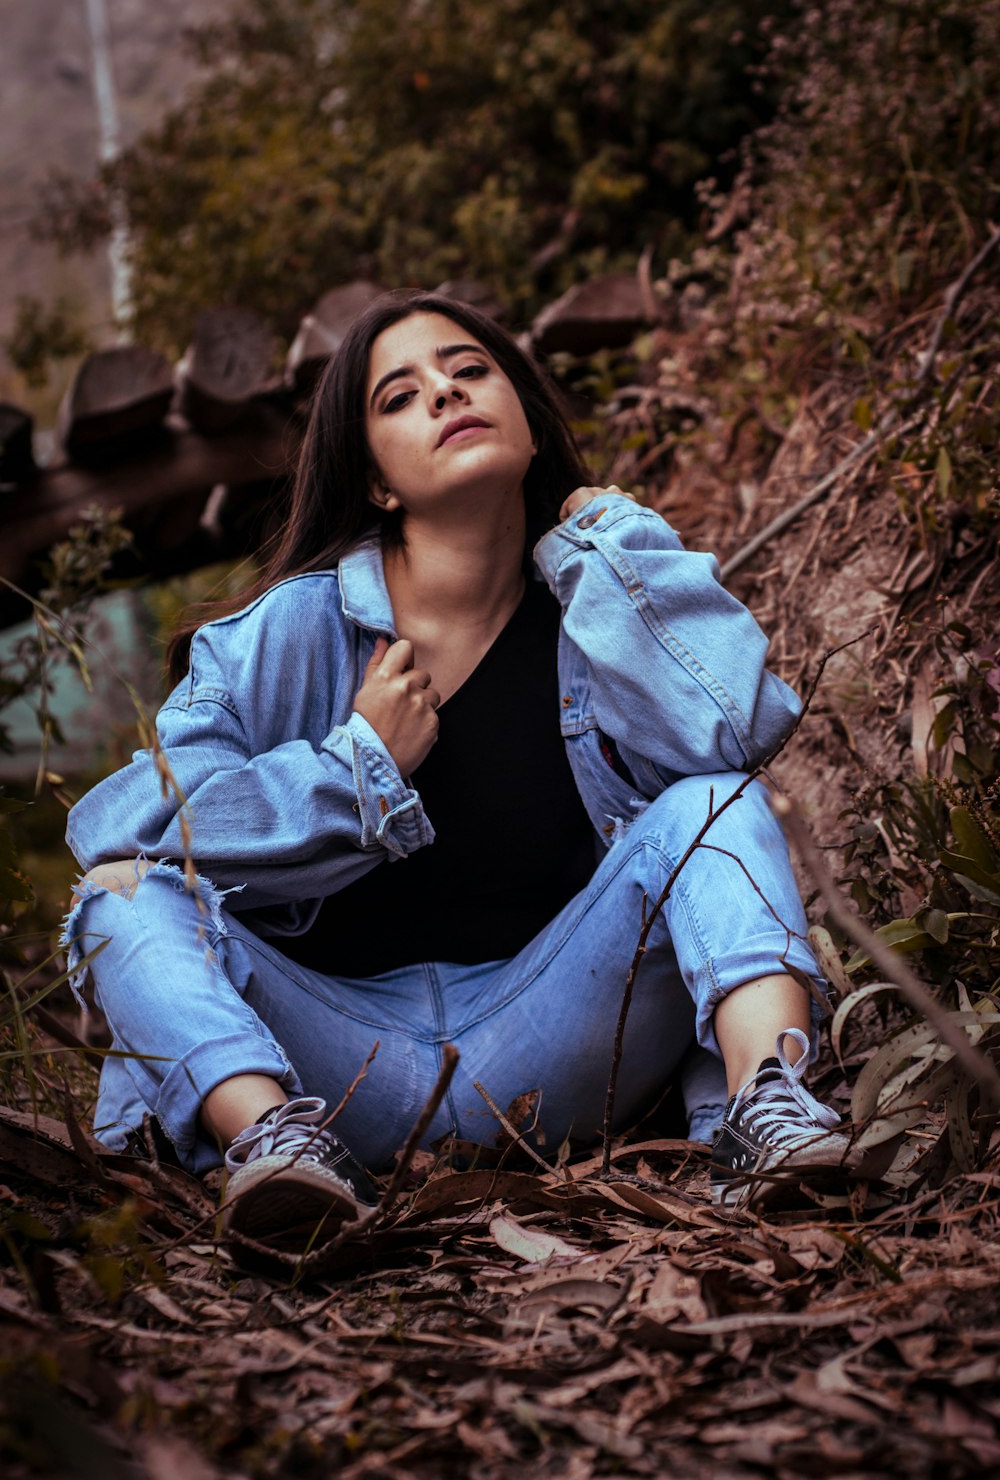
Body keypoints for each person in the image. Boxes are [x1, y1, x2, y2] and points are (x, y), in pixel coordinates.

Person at [63, 290, 853, 1253]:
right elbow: (122, 828)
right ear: (378, 484)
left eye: (470, 370)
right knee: (119, 897)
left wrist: (615, 557)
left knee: (710, 804)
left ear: (524, 420)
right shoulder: (283, 637)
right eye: (399, 396)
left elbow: (733, 734)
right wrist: (352, 771)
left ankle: (768, 1116)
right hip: (323, 1065)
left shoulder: (594, 602)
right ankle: (271, 1154)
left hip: (549, 1039)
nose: (445, 391)